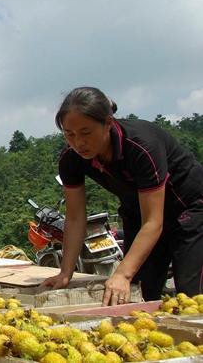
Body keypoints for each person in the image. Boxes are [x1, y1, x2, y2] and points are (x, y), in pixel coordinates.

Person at [41, 86, 203, 305]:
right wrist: (65, 273)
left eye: (86, 133)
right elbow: (76, 218)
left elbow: (154, 222)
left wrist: (122, 274)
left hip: (188, 208)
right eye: (69, 135)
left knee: (190, 295)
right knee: (140, 290)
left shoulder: (141, 146)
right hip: (138, 211)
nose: (78, 143)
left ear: (108, 123)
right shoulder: (71, 160)